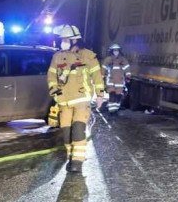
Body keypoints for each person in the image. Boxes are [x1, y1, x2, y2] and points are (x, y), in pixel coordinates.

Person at [47, 25, 105, 173]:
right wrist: (54, 90)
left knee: (78, 130)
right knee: (66, 134)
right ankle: (71, 155)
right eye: (62, 40)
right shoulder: (57, 56)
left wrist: (99, 94)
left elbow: (97, 76)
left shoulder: (88, 56)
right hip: (64, 101)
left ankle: (77, 162)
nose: (63, 42)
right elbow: (51, 75)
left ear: (75, 40)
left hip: (81, 100)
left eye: (66, 39)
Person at [102, 43, 130, 114]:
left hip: (120, 82)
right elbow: (103, 69)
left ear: (119, 51)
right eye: (114, 50)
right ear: (111, 51)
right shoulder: (108, 60)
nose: (116, 52)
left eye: (117, 50)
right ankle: (112, 111)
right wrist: (101, 77)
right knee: (112, 96)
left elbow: (127, 69)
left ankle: (115, 110)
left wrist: (128, 77)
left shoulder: (123, 60)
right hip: (111, 81)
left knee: (118, 97)